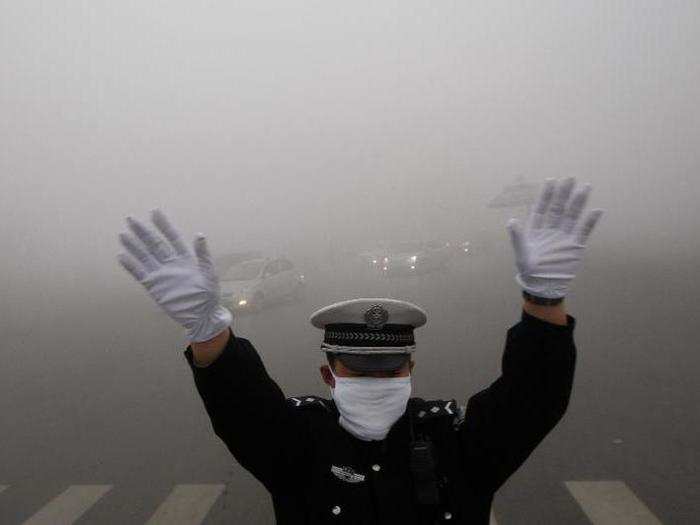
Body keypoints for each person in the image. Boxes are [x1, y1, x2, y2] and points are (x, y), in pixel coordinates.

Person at [117, 177, 603, 524]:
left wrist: (544, 301)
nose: (377, 380)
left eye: (389, 369)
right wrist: (206, 329)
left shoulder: (454, 443)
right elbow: (240, 405)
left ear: (411, 369)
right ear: (328, 377)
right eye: (358, 368)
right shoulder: (298, 446)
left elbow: (534, 398)